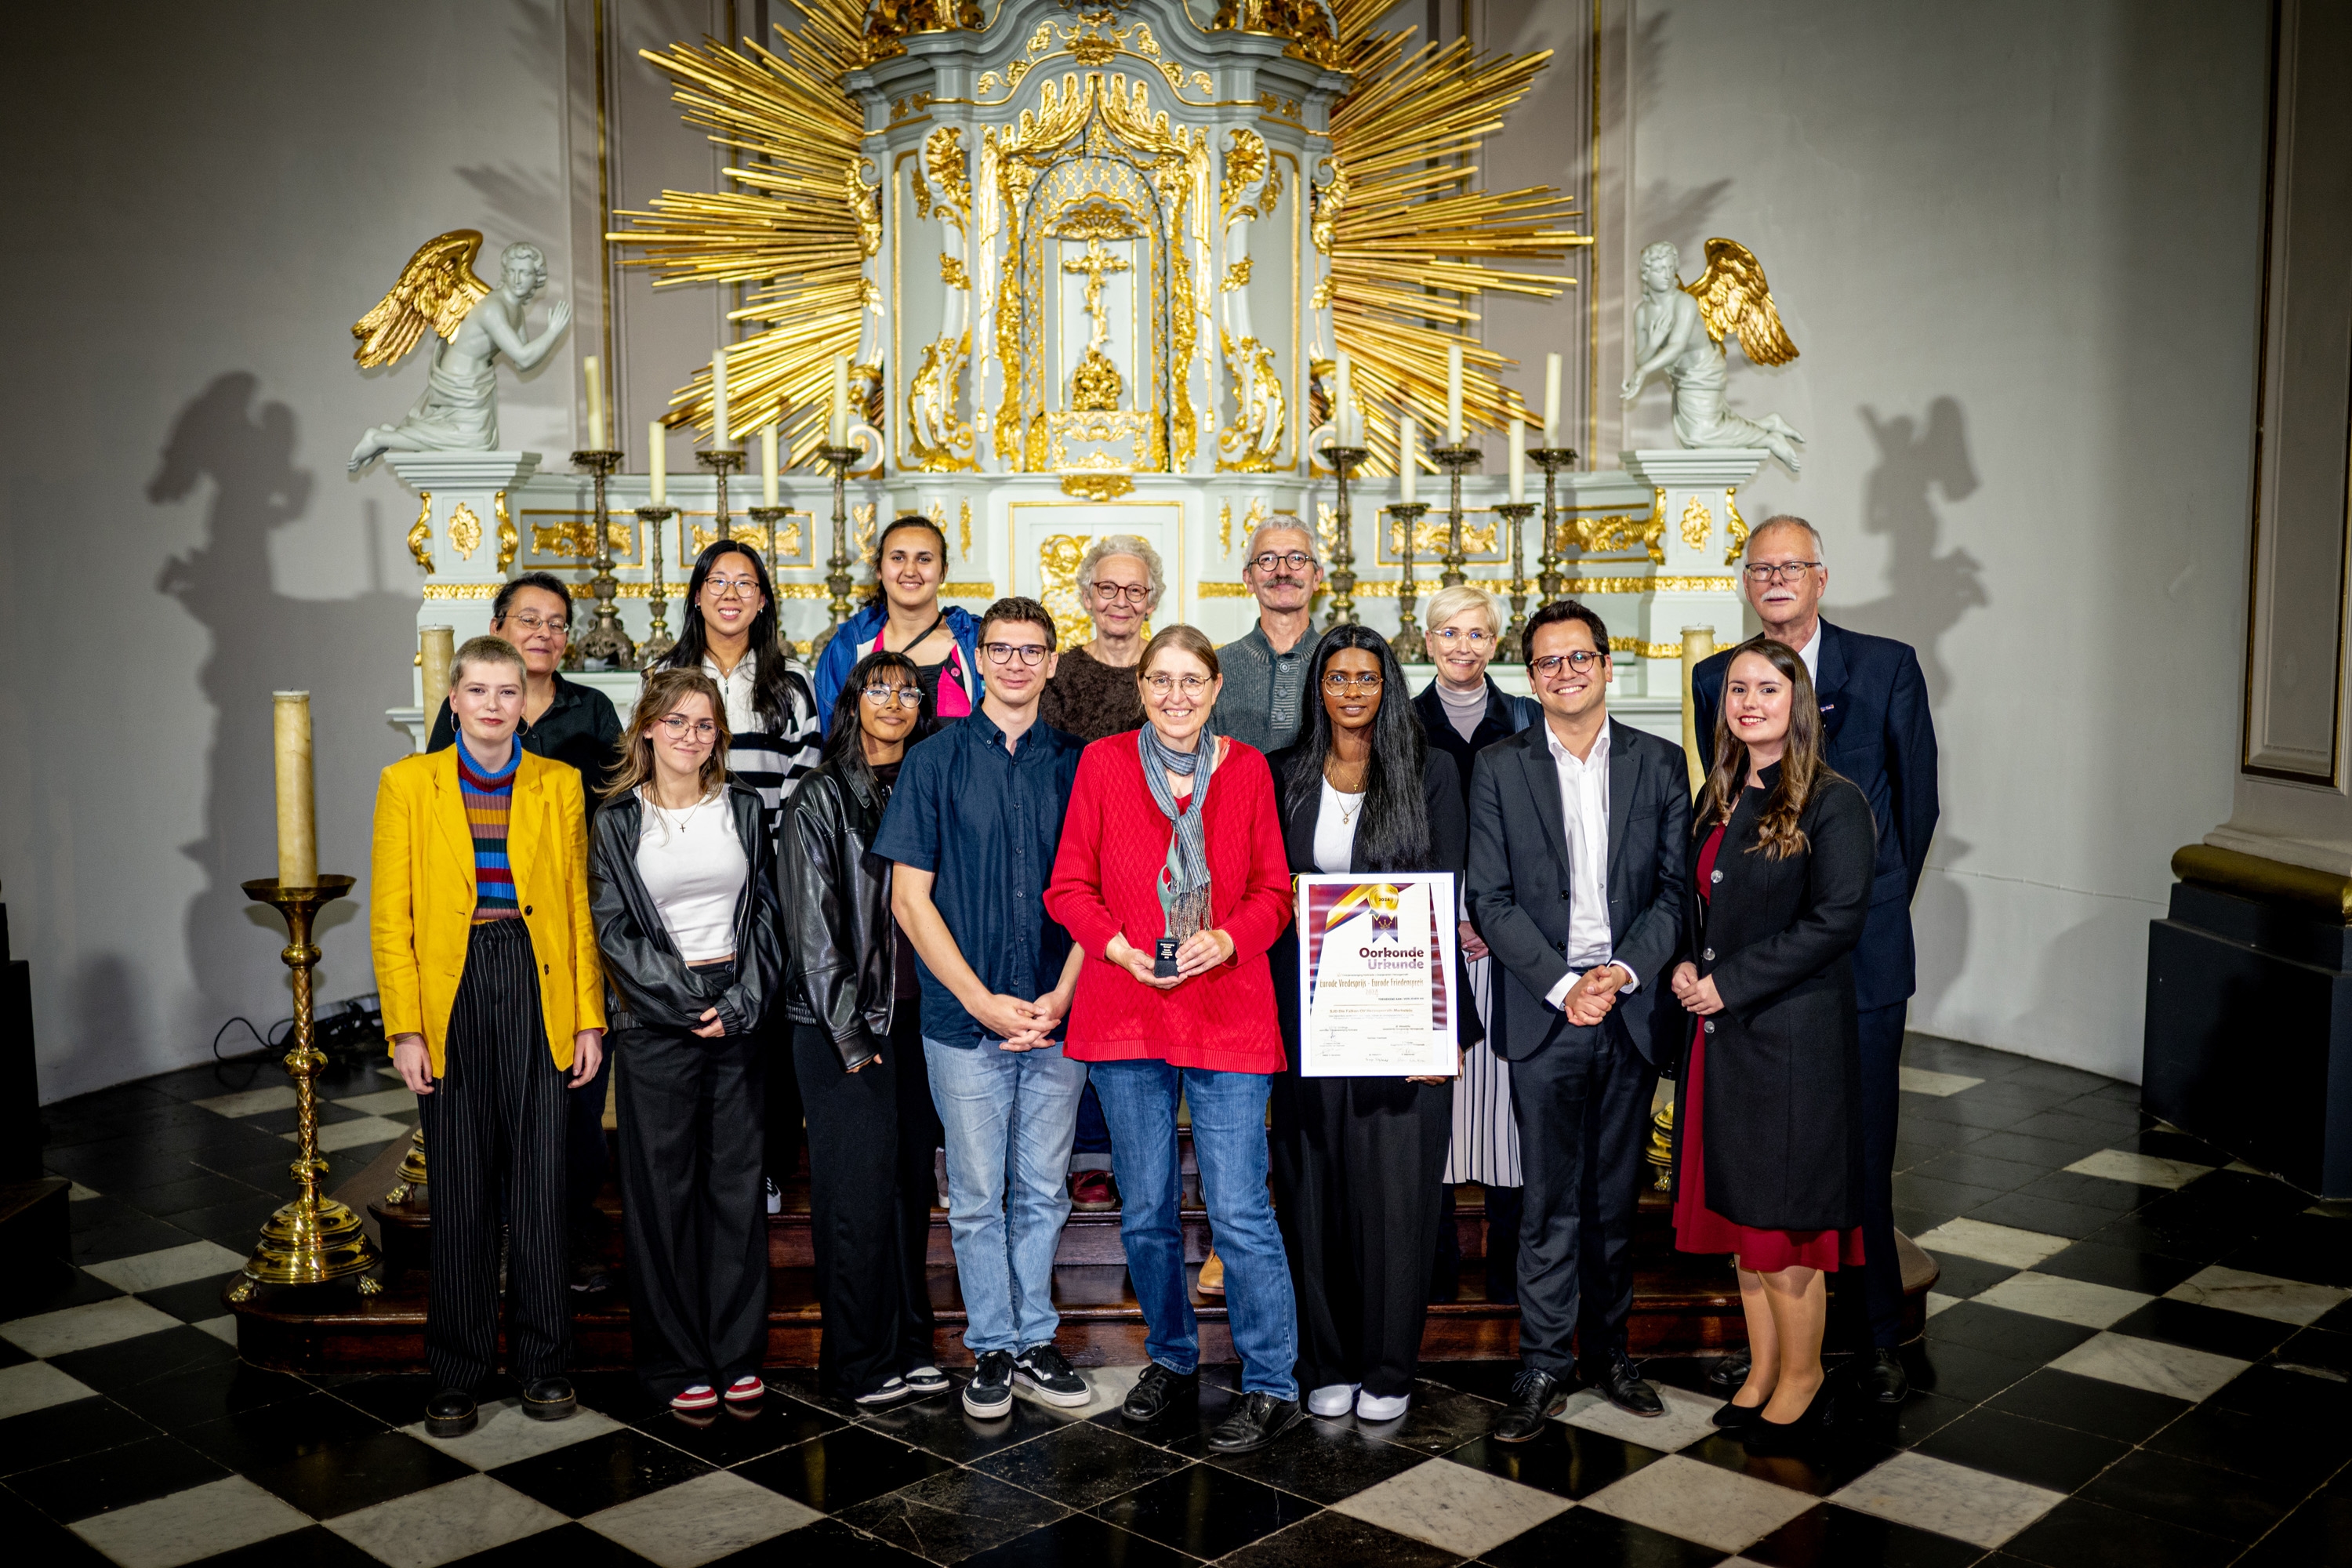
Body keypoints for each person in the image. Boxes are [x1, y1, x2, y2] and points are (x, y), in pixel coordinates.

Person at [1692, 515, 1938, 1404]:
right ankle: (1783, 1353)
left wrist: (1850, 910)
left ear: (1821, 577)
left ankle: (1870, 1337)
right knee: (1768, 1160)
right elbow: (1724, 807)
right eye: (1759, 568)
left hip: (1859, 954)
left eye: (1791, 566)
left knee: (1858, 1153)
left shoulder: (1886, 665)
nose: (1775, 580)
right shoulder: (1719, 677)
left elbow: (1917, 806)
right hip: (1759, 974)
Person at [1044, 625, 1303, 1454]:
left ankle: (1270, 1379)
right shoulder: (1105, 764)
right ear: (1143, 687)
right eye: (1162, 680)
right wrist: (1118, 948)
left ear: (1217, 685)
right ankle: (1173, 1354)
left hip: (1227, 1003)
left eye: (1193, 680)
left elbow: (1274, 891)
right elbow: (1068, 885)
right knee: (1149, 1207)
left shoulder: (1250, 769)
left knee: (1239, 1207)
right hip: (1128, 1003)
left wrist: (1227, 938)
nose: (1177, 695)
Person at [1465, 601, 1690, 1440]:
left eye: (1579, 657)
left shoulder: (1660, 763)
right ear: (1532, 677)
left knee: (1613, 1194)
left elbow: (1675, 892)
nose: (1565, 672)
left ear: (1606, 664)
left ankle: (1615, 1353)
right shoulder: (1499, 765)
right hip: (1544, 1009)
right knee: (1549, 1198)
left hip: (1627, 1005)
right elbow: (1488, 895)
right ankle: (1544, 1362)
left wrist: (1622, 971)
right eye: (1548, 661)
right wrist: (1565, 985)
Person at [373, 635, 604, 1437]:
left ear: (523, 701)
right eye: (479, 691)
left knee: (542, 1182)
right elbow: (390, 915)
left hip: (537, 977)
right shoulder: (409, 784)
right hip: (454, 982)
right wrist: (406, 1026)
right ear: (455, 700)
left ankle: (545, 1363)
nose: (495, 705)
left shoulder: (559, 782)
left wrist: (588, 1016)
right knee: (463, 1183)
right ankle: (458, 1369)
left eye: (509, 692)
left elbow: (575, 906)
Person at [875, 597, 1091, 1419]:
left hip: (1057, 1010)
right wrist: (980, 1000)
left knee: (1041, 1189)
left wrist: (1061, 993)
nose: (1015, 663)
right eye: (1001, 648)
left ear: (1050, 661)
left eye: (1031, 650)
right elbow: (909, 898)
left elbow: (1099, 895)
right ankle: (992, 1346)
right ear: (979, 657)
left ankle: (1035, 1339)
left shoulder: (1081, 763)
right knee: (974, 1195)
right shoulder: (934, 760)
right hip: (963, 1024)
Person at [1672, 638, 1875, 1450]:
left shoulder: (1834, 799)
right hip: (1726, 1037)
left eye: (1767, 687)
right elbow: (1704, 901)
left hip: (1792, 1041)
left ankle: (1803, 1375)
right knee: (1746, 1226)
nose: (1749, 701)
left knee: (1786, 1231)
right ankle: (1761, 1369)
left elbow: (1838, 919)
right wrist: (1690, 960)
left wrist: (1732, 980)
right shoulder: (1722, 793)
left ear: (1799, 701)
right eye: (1736, 689)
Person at [1265, 625, 1467, 1422]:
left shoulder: (1431, 771)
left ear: (1388, 685)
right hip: (1306, 1017)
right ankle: (1328, 1357)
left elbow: (1444, 899)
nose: (1352, 690)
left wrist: (1439, 1023)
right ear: (1318, 684)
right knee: (1313, 1193)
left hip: (1401, 1013)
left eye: (1368, 677)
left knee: (1397, 1199)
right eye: (1338, 676)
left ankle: (1388, 1364)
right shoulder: (1283, 773)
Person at [587, 668, 784, 1411]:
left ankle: (736, 1352)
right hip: (654, 1024)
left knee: (736, 1190)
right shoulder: (615, 821)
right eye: (674, 723)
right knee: (661, 1195)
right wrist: (682, 1003)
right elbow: (613, 930)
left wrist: (739, 1003)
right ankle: (675, 1363)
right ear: (646, 729)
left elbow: (768, 914)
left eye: (703, 725)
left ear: (718, 738)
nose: (689, 737)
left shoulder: (740, 807)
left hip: (737, 1013)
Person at [425, 572, 623, 1287]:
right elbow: (437, 824)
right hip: (482, 935)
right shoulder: (465, 715)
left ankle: (565, 1237)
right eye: (529, 619)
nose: (544, 632)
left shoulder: (592, 709)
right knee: (483, 1111)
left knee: (568, 1104)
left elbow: (615, 811)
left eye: (558, 622)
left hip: (564, 922)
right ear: (499, 626)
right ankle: (496, 1244)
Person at [779, 650, 950, 1408]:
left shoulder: (927, 782)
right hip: (843, 1024)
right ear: (854, 701)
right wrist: (850, 1036)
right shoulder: (821, 794)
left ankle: (911, 1344)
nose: (894, 701)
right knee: (854, 1198)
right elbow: (811, 932)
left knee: (909, 1191)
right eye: (878, 688)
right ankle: (857, 1360)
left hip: (919, 1019)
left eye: (908, 691)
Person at [650, 539, 824, 1220]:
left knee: (767, 1036)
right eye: (716, 581)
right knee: (691, 1024)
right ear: (696, 595)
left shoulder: (789, 682)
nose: (730, 593)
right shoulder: (668, 675)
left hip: (769, 882)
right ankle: (694, 1167)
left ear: (762, 600)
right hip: (684, 880)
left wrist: (780, 880)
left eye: (745, 582)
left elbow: (804, 786)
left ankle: (767, 1170)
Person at [1412, 585, 1541, 1305]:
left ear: (1496, 644)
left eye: (1478, 635)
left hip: (1507, 938)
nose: (1463, 647)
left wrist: (1494, 922)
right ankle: (1431, 1265)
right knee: (1436, 1101)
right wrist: (1439, 920)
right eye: (1449, 634)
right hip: (1425, 939)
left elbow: (1538, 836)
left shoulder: (1524, 718)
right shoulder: (1401, 722)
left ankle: (1508, 1265)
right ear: (1427, 642)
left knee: (1504, 1103)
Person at [1039, 534, 1166, 1214]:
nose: (1121, 601)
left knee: (1145, 1014)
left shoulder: (1169, 671)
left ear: (1153, 600)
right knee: (1088, 1005)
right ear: (1087, 596)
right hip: (1077, 862)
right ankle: (1091, 1154)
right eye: (1108, 588)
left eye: (1135, 590)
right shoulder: (1058, 676)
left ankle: (1144, 1151)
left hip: (1161, 871)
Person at [814, 514, 982, 728]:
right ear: (879, 570)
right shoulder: (848, 648)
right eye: (898, 558)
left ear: (943, 572)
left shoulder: (976, 642)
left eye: (924, 559)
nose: (910, 571)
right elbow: (831, 738)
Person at [1211, 518, 1325, 755]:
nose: (1282, 571)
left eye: (1297, 558)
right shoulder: (1213, 667)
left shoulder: (1339, 665)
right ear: (1248, 579)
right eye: (1267, 560)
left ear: (1317, 577)